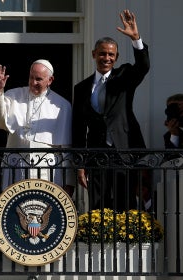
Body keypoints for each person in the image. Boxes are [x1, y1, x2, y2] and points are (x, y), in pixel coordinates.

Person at [72, 10, 150, 211]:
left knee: (126, 203)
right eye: (102, 53)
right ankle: (99, 242)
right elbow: (78, 128)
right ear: (94, 54)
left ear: (116, 57)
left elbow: (143, 66)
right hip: (97, 153)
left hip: (124, 150)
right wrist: (80, 164)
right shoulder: (81, 88)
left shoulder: (124, 76)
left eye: (111, 54)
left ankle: (126, 242)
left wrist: (136, 39)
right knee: (98, 205)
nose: (106, 58)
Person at [0, 59, 75, 199]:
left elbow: (67, 149)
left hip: (48, 171)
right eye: (31, 77)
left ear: (50, 80)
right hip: (15, 166)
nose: (33, 83)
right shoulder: (13, 96)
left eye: (38, 79)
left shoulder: (62, 106)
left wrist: (69, 184)